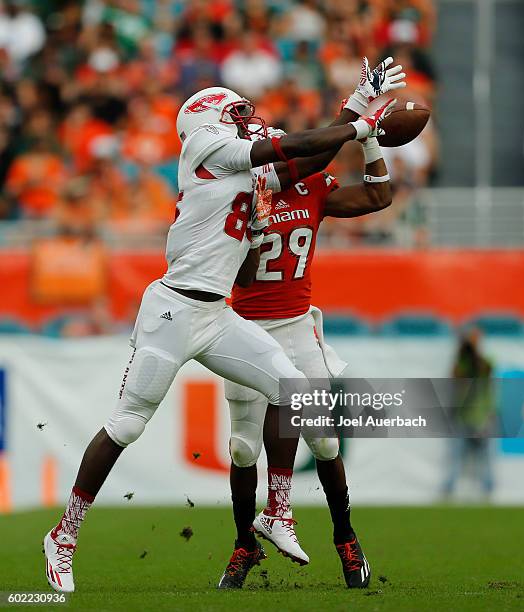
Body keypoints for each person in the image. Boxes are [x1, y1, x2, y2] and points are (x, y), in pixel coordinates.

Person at [43, 80, 396, 593]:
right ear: (211, 115)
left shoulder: (245, 175)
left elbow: (305, 165)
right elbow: (290, 147)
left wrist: (356, 109)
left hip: (217, 316)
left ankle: (276, 513)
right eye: (238, 114)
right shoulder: (206, 148)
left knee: (294, 392)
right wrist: (363, 125)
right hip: (174, 308)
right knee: (128, 424)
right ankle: (64, 535)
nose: (246, 122)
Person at [218, 57, 407, 589]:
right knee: (241, 448)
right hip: (245, 328)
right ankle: (244, 543)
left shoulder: (310, 187)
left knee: (323, 441)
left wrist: (370, 141)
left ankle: (346, 539)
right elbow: (246, 278)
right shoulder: (232, 198)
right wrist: (251, 229)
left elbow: (377, 196)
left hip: (298, 326)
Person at [442, 327, 496, 498]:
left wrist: (474, 353)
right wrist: (463, 353)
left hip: (480, 416)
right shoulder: (461, 362)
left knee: (484, 456)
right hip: (462, 416)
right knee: (456, 455)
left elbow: (486, 371)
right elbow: (456, 377)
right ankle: (449, 488)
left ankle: (489, 489)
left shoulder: (485, 362)